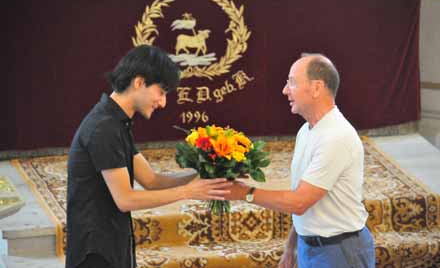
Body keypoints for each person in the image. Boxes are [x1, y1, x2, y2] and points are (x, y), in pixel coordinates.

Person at [65, 45, 231, 268]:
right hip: (96, 252)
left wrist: (204, 173)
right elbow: (125, 199)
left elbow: (152, 181)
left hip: (112, 244)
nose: (163, 102)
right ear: (139, 82)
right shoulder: (104, 128)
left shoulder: (115, 122)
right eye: (161, 92)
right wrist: (188, 192)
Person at [225, 54, 375, 268]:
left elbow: (299, 202)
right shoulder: (306, 130)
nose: (285, 90)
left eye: (292, 82)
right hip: (310, 246)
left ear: (316, 88)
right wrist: (292, 246)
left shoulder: (336, 136)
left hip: (340, 252)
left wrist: (244, 193)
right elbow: (304, 195)